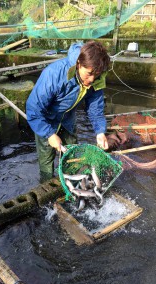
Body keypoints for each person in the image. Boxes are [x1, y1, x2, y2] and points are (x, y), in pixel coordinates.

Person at [26, 40, 110, 183]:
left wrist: (100, 132)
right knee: (47, 163)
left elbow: (95, 108)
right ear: (78, 63)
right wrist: (49, 134)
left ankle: (73, 186)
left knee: (73, 159)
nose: (91, 79)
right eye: (89, 74)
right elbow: (33, 110)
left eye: (96, 75)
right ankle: (48, 186)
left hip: (68, 121)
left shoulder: (96, 77)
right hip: (45, 121)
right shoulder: (53, 74)